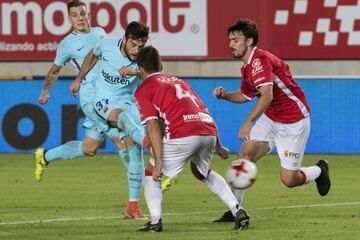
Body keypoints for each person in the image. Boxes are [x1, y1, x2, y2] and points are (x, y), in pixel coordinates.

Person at [212, 19, 331, 223]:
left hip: (293, 121)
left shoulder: (259, 60)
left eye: (235, 40)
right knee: (245, 154)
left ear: (249, 41)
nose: (231, 44)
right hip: (272, 117)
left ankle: (319, 170)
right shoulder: (247, 67)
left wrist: (248, 122)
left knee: (289, 180)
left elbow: (267, 96)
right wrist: (225, 96)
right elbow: (246, 95)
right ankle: (236, 210)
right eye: (230, 40)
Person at [35, 0, 145, 219]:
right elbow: (54, 70)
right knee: (125, 143)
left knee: (89, 148)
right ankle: (135, 201)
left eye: (83, 13)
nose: (80, 18)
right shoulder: (67, 44)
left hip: (108, 93)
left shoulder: (100, 33)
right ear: (69, 20)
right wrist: (46, 91)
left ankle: (45, 156)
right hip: (91, 98)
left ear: (89, 14)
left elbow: (102, 56)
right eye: (75, 15)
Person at [134, 46, 250, 232]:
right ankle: (238, 210)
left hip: (183, 133)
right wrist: (219, 146)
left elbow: (153, 126)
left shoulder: (143, 90)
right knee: (200, 172)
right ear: (161, 65)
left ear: (140, 69)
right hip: (208, 130)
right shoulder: (179, 81)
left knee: (151, 173)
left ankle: (155, 222)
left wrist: (159, 161)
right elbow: (204, 111)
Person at [69, 21, 150, 219]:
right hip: (103, 101)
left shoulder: (144, 57)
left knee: (135, 153)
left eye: (141, 46)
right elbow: (91, 56)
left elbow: (157, 71)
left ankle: (133, 206)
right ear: (125, 39)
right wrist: (79, 79)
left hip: (129, 103)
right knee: (118, 116)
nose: (136, 50)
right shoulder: (107, 45)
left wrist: (136, 71)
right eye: (133, 45)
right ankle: (151, 142)